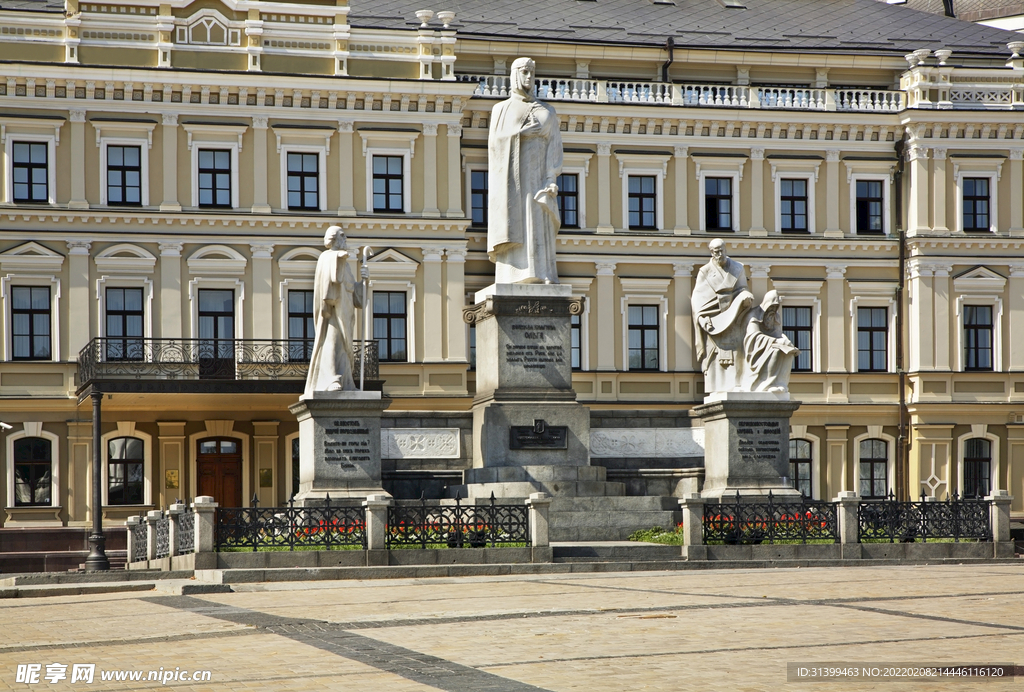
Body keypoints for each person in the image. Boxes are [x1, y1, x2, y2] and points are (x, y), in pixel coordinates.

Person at [487, 57, 563, 284]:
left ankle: (541, 273)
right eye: (524, 72)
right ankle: (513, 274)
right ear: (514, 75)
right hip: (513, 183)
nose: (529, 77)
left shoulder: (547, 111)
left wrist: (550, 177)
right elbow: (494, 145)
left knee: (538, 220)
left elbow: (554, 147)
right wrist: (520, 134)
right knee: (519, 219)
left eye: (532, 72)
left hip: (539, 179)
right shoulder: (501, 109)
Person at [304, 225, 369, 396]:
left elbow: (354, 294)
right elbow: (330, 279)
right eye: (342, 236)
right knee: (332, 341)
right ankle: (332, 379)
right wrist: (338, 258)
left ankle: (346, 380)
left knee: (343, 346)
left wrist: (364, 281)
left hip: (346, 311)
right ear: (333, 238)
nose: (345, 239)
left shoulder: (346, 266)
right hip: (332, 310)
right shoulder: (326, 257)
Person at [691, 238, 754, 393]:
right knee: (716, 356)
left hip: (734, 316)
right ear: (711, 253)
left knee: (737, 352)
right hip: (714, 319)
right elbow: (698, 298)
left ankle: (737, 384)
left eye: (721, 251)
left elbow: (742, 288)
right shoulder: (705, 272)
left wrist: (746, 297)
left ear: (726, 250)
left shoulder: (738, 268)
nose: (719, 254)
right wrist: (701, 317)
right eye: (715, 252)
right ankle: (717, 388)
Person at [743, 290, 799, 393]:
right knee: (776, 351)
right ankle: (767, 384)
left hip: (770, 344)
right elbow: (753, 336)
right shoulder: (754, 315)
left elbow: (778, 333)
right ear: (766, 304)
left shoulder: (775, 316)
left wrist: (786, 341)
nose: (773, 309)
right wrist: (775, 341)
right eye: (771, 306)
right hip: (756, 349)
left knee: (789, 352)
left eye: (775, 307)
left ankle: (780, 383)